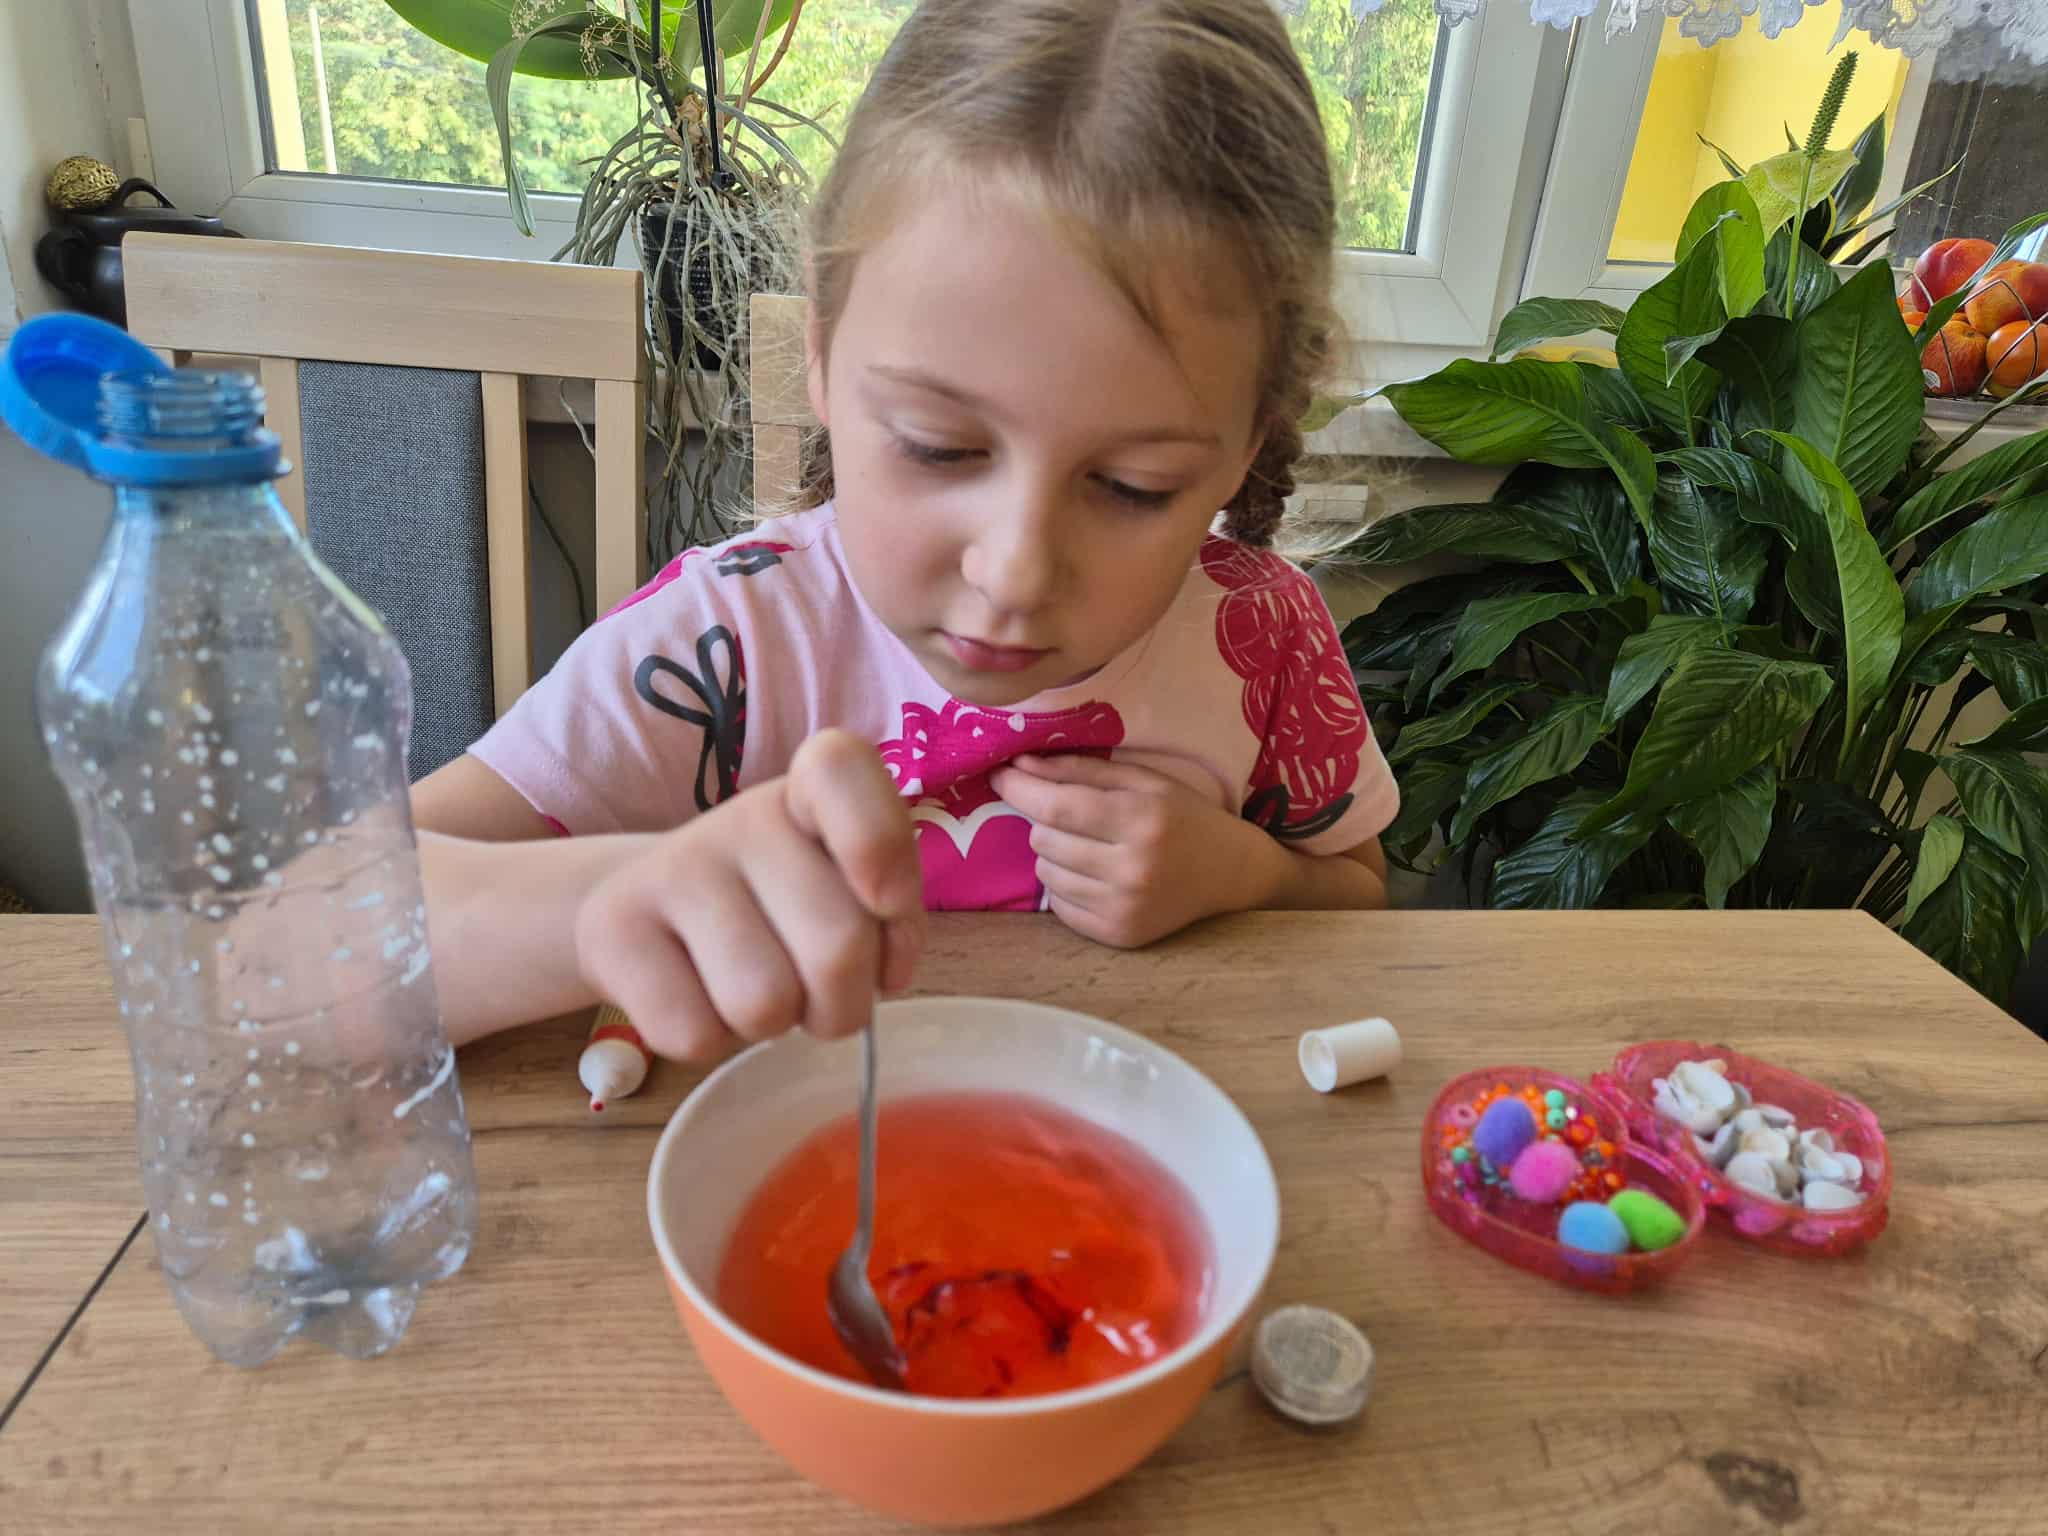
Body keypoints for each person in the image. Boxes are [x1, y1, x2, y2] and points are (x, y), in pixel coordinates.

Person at [413, 0, 1398, 1061]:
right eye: (938, 448)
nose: (1014, 572)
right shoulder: (725, 641)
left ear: (1249, 441)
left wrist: (1244, 874)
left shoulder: (1264, 635)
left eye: (1131, 486)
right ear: (821, 354)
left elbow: (1358, 895)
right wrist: (605, 903)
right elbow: (300, 929)